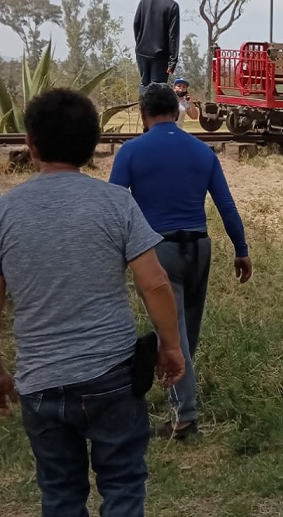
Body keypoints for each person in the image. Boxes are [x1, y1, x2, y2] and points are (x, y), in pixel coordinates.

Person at [0, 89, 186, 515]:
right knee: (123, 483)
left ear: (30, 145)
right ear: (92, 145)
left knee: (61, 493)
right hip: (113, 376)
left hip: (40, 381)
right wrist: (171, 346)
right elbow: (155, 283)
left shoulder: (0, 213)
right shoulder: (116, 203)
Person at [110, 83, 251, 440]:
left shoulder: (131, 152)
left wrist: (113, 254)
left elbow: (113, 206)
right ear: (176, 112)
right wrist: (241, 249)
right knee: (185, 328)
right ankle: (180, 390)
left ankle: (184, 418)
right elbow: (227, 206)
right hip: (199, 247)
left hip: (158, 251)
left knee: (173, 332)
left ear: (144, 116)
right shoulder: (201, 151)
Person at [134, 0, 181, 96]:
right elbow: (173, 36)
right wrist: (172, 62)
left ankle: (145, 112)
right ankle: (154, 114)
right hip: (160, 55)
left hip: (142, 52)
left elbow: (136, 24)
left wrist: (139, 44)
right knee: (158, 88)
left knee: (144, 84)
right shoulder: (173, 6)